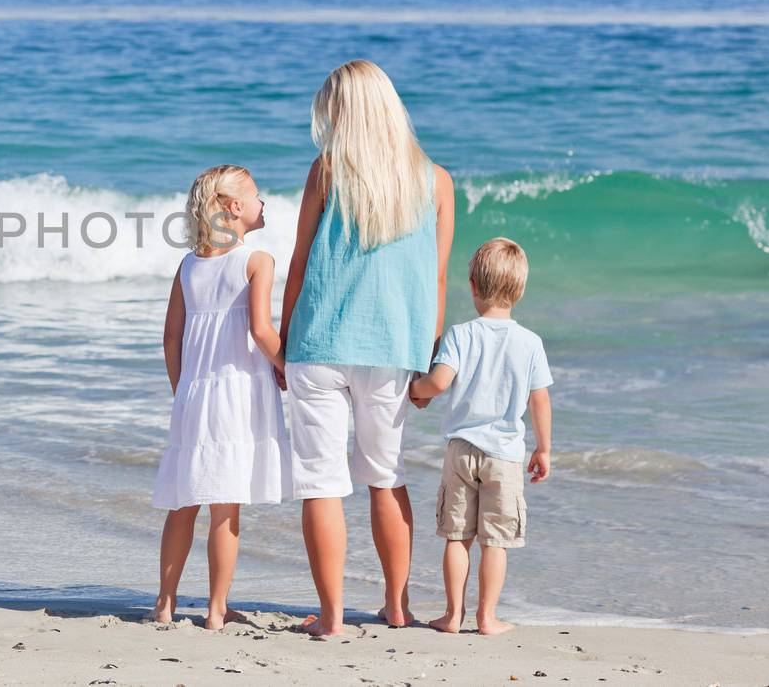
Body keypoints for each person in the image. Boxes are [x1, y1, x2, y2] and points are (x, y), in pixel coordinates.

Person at [277, 59, 455, 636]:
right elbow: (438, 278)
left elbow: (300, 263)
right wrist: (428, 359)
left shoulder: (327, 171)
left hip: (320, 342)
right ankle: (397, 608)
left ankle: (330, 618)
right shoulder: (436, 180)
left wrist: (282, 342)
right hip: (392, 349)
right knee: (386, 474)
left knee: (322, 482)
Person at [150, 164, 292, 629]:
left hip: (195, 393)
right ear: (235, 207)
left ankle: (165, 604)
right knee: (225, 506)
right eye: (257, 195)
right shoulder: (257, 261)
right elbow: (261, 329)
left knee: (184, 502)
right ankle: (215, 609)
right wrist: (287, 367)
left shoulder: (189, 265)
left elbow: (171, 337)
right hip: (235, 394)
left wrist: (182, 387)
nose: (263, 202)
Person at [408, 237, 554, 636]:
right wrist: (543, 448)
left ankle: (452, 615)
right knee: (496, 541)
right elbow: (539, 401)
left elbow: (439, 382)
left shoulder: (460, 334)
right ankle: (486, 618)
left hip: (460, 451)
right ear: (520, 290)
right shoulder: (530, 343)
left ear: (472, 285)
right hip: (505, 456)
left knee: (457, 536)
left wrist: (415, 390)